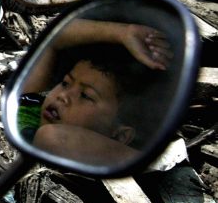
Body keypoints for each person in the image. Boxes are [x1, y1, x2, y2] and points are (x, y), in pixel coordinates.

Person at [17, 17, 172, 164]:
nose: (63, 96)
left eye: (85, 95)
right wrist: (123, 32)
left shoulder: (52, 137)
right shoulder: (29, 107)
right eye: (65, 83)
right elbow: (53, 36)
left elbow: (51, 138)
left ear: (120, 136)